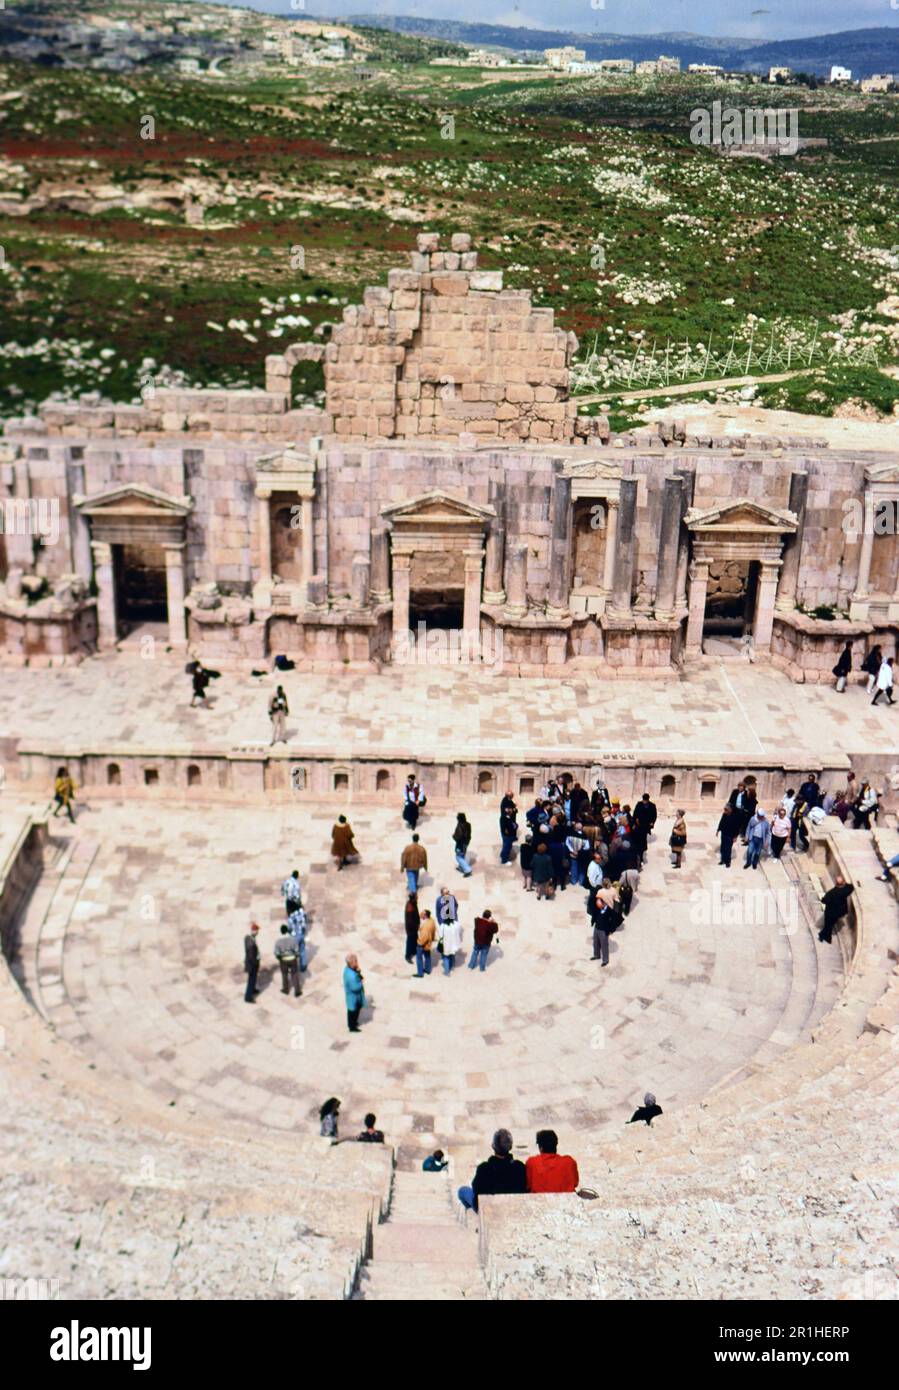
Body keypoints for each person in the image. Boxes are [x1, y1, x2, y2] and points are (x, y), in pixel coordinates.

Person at [457, 1128, 527, 1212]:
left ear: (493, 1146)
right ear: (510, 1146)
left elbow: (476, 1187)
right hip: (511, 1206)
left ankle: (474, 1217)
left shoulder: (484, 1168)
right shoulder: (520, 1167)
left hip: (488, 1208)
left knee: (462, 1191)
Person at [818, 876, 854, 944]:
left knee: (828, 925)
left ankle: (822, 936)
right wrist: (844, 883)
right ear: (843, 883)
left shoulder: (831, 893)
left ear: (836, 883)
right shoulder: (845, 891)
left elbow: (824, 900)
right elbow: (851, 887)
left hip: (830, 912)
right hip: (839, 912)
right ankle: (825, 937)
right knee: (829, 925)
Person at [274, 925, 301, 997]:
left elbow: (277, 953)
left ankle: (285, 990)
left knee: (284, 975)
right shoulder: (293, 940)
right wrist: (296, 956)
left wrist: (280, 958)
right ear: (287, 931)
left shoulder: (278, 942)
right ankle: (297, 991)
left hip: (283, 960)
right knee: (295, 974)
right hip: (292, 959)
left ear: (281, 932)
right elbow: (297, 951)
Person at [589, 892, 614, 967]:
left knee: (604, 945)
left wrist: (610, 930)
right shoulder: (597, 907)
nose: (598, 907)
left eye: (599, 905)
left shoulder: (609, 910)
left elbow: (612, 921)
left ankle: (605, 960)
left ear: (604, 904)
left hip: (603, 930)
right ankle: (596, 955)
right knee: (595, 943)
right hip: (596, 928)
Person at [717, 801, 742, 868]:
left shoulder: (735, 817)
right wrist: (718, 830)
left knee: (728, 849)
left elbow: (737, 828)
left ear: (730, 810)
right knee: (722, 848)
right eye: (725, 809)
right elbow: (721, 822)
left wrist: (735, 836)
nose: (725, 811)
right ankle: (722, 860)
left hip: (730, 836)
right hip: (724, 833)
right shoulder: (724, 814)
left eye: (726, 810)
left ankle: (727, 862)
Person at [344, 954, 365, 1032]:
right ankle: (352, 1027)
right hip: (353, 997)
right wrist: (361, 983)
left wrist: (358, 971)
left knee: (355, 1010)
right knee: (353, 1011)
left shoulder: (350, 969)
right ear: (351, 963)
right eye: (355, 961)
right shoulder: (351, 976)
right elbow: (355, 988)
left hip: (354, 997)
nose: (357, 962)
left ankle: (353, 1023)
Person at [438, 910, 463, 976]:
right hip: (454, 944)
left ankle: (447, 972)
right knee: (452, 954)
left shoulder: (442, 926)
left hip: (446, 945)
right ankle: (452, 966)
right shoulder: (457, 924)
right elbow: (460, 932)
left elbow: (440, 936)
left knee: (446, 957)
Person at [287, 903, 308, 972]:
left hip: (294, 937)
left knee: (292, 952)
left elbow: (289, 928)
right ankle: (303, 966)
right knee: (302, 950)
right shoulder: (302, 914)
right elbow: (304, 924)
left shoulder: (291, 917)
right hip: (301, 934)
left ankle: (293, 967)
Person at [415, 909, 436, 977]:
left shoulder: (426, 926)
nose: (421, 914)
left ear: (425, 915)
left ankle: (420, 973)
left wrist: (419, 943)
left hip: (423, 943)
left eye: (423, 914)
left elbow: (424, 936)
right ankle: (428, 969)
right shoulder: (432, 920)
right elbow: (433, 931)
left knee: (419, 958)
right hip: (429, 942)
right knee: (427, 956)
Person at [244, 921, 261, 1003]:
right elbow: (251, 956)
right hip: (252, 965)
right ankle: (248, 997)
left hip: (250, 963)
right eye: (257, 931)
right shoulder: (251, 944)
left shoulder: (248, 938)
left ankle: (253, 990)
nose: (258, 932)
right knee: (251, 980)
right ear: (254, 931)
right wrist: (256, 962)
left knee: (253, 979)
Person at [453, 813, 473, 877]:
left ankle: (468, 870)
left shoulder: (460, 826)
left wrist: (453, 836)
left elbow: (458, 837)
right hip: (466, 843)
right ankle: (461, 867)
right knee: (462, 855)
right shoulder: (468, 824)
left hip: (460, 844)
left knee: (458, 857)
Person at [499, 800, 518, 865]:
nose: (511, 810)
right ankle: (504, 860)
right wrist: (515, 826)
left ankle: (502, 855)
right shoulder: (505, 818)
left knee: (506, 846)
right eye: (509, 809)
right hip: (507, 836)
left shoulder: (508, 817)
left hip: (507, 835)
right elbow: (509, 828)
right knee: (507, 847)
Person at [404, 893, 420, 965]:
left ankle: (414, 951)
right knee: (410, 942)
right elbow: (410, 921)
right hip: (411, 929)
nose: (418, 898)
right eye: (416, 897)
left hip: (414, 927)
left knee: (415, 940)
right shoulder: (410, 907)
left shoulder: (413, 903)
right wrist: (416, 926)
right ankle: (407, 956)